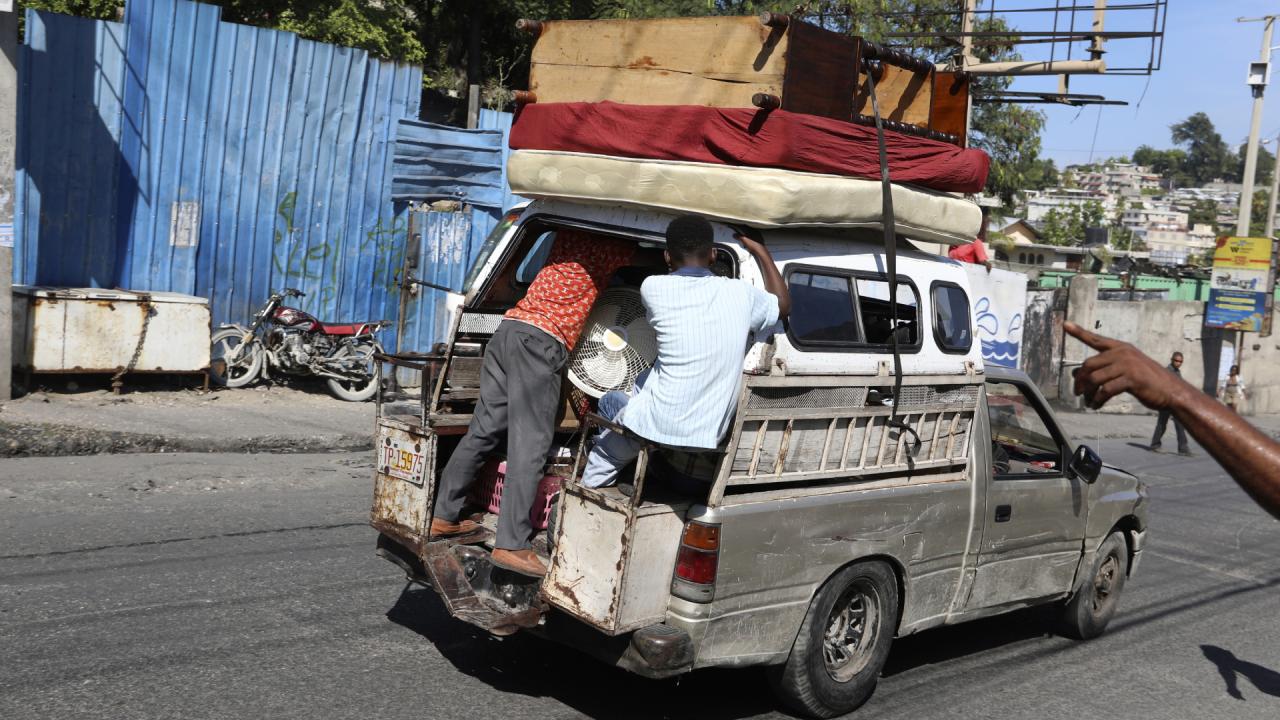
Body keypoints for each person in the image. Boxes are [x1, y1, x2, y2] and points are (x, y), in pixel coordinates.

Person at [431, 229, 634, 578]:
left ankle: (444, 516)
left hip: (509, 329)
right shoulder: (614, 244)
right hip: (541, 341)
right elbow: (652, 265)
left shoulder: (564, 238)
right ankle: (512, 544)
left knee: (484, 430)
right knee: (531, 446)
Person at [580, 216, 790, 489]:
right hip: (708, 433)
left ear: (667, 257)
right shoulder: (742, 294)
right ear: (713, 254)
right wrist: (761, 251)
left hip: (655, 425)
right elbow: (783, 306)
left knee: (610, 403)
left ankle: (590, 487)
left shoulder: (652, 287)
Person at [1065, 321, 1280, 520]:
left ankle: (1179, 445)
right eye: (1177, 360)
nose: (1178, 362)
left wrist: (1177, 395)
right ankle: (1158, 443)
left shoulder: (1174, 376)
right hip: (1166, 405)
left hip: (1171, 403)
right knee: (1163, 425)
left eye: (1180, 361)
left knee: (1177, 427)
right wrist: (1175, 396)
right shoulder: (1169, 372)